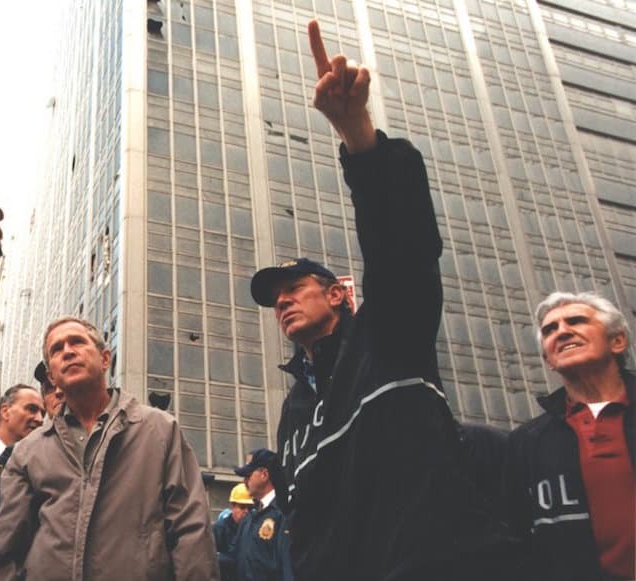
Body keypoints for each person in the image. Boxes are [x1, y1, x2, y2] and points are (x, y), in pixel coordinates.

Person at [248, 20, 517, 581]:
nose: (282, 303)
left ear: (340, 293)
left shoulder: (388, 336)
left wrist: (358, 137)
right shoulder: (294, 409)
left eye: (294, 289)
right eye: (275, 300)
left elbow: (405, 248)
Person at [0, 317, 218, 580]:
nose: (68, 351)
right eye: (57, 349)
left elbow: (190, 530)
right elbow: (6, 549)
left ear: (105, 359)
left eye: (77, 342)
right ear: (52, 375)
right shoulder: (27, 452)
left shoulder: (160, 430)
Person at [505, 291, 634, 581]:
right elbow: (516, 538)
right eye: (550, 329)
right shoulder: (526, 442)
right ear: (548, 359)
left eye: (575, 321)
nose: (562, 331)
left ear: (617, 341)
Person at [220, 450, 292, 581]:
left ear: (264, 475)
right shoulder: (250, 518)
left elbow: (288, 567)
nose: (245, 481)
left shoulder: (282, 513)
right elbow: (233, 557)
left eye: (248, 475)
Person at [0, 384, 45, 467]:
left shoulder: (43, 468)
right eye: (32, 409)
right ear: (5, 412)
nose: (40, 419)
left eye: (43, 414)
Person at [213, 483, 254, 581]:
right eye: (242, 507)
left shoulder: (254, 528)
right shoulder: (219, 528)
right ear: (233, 506)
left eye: (250, 507)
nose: (246, 511)